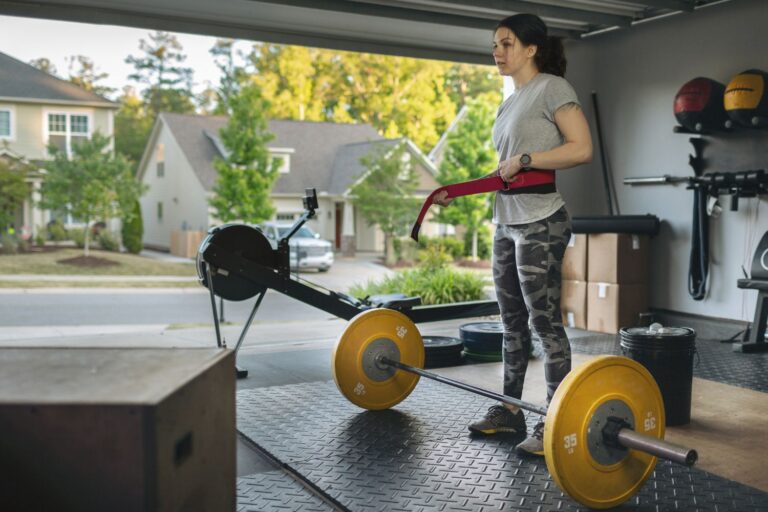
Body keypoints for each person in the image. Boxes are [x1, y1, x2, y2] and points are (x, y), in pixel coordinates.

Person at [433, 13, 592, 457]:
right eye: (495, 45)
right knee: (510, 322)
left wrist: (525, 157)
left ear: (531, 48)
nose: (497, 51)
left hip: (542, 220)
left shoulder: (552, 88)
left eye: (506, 43)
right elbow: (507, 170)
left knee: (544, 323)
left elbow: (581, 149)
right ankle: (509, 410)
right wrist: (459, 192)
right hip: (506, 221)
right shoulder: (511, 101)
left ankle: (554, 420)